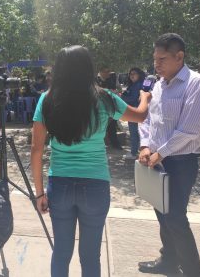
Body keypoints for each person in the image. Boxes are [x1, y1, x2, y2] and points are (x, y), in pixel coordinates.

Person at [31, 45, 151, 277]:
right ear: (88, 68)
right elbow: (140, 115)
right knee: (90, 255)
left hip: (61, 186)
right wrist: (145, 97)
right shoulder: (105, 98)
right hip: (95, 186)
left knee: (61, 252)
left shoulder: (47, 100)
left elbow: (36, 150)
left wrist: (39, 193)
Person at [138, 33, 200, 277]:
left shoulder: (197, 84)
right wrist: (145, 146)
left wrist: (161, 153)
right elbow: (149, 119)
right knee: (162, 214)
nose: (156, 65)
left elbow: (190, 129)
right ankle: (168, 261)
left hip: (180, 162)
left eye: (162, 59)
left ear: (179, 57)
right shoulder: (158, 85)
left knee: (176, 218)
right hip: (156, 159)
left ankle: (193, 271)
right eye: (154, 59)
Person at [121, 67, 146, 159]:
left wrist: (121, 98)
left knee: (134, 132)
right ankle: (137, 152)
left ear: (139, 74)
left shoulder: (138, 85)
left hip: (135, 111)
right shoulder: (133, 84)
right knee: (138, 132)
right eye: (130, 74)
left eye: (134, 73)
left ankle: (133, 153)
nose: (132, 75)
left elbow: (133, 98)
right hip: (136, 111)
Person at [96, 67, 123, 149]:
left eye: (109, 71)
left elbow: (117, 89)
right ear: (101, 72)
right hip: (100, 108)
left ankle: (115, 144)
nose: (108, 73)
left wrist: (114, 91)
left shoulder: (111, 79)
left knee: (112, 126)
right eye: (106, 71)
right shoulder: (95, 80)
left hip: (111, 107)